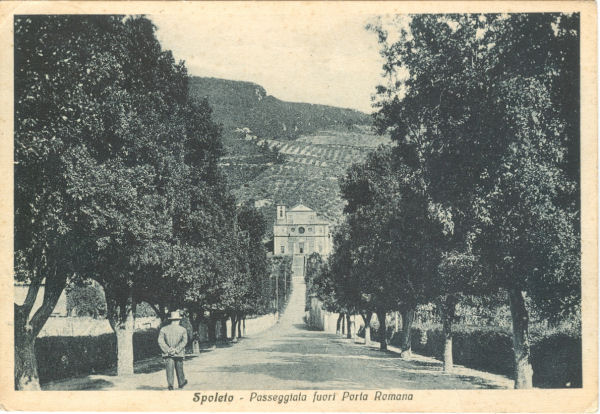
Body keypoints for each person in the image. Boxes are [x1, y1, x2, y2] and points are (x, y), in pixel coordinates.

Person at [158, 311, 189, 390]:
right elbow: (184, 341)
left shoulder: (163, 329)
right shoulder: (183, 329)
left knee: (169, 368)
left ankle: (170, 385)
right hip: (179, 353)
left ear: (171, 320)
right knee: (179, 368)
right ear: (178, 320)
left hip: (167, 353)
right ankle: (181, 383)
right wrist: (176, 350)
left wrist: (168, 350)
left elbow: (160, 341)